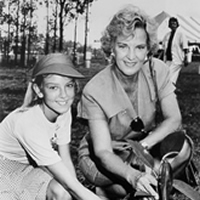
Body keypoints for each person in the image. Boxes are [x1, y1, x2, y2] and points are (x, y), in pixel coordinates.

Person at [77, 5, 193, 200]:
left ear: (148, 49)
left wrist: (143, 148)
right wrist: (135, 177)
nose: (131, 57)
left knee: (184, 148)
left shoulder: (158, 70)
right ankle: (125, 187)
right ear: (111, 47)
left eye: (139, 47)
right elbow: (103, 151)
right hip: (104, 157)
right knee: (125, 183)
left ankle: (147, 182)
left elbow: (174, 119)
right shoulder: (94, 90)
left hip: (142, 146)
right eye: (123, 46)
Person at [0, 53, 102, 200]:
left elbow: (65, 160)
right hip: (3, 170)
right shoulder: (28, 122)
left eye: (69, 85)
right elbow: (71, 184)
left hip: (27, 169)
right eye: (53, 87)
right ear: (39, 90)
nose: (64, 95)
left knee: (62, 192)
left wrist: (73, 195)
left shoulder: (62, 111)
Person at [162, 17, 189, 85]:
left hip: (177, 59)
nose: (173, 25)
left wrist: (186, 58)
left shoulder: (181, 34)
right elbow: (164, 48)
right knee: (166, 76)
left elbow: (185, 47)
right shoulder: (167, 35)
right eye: (171, 24)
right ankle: (170, 91)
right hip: (168, 59)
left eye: (174, 23)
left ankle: (169, 91)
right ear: (169, 25)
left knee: (170, 75)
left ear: (177, 24)